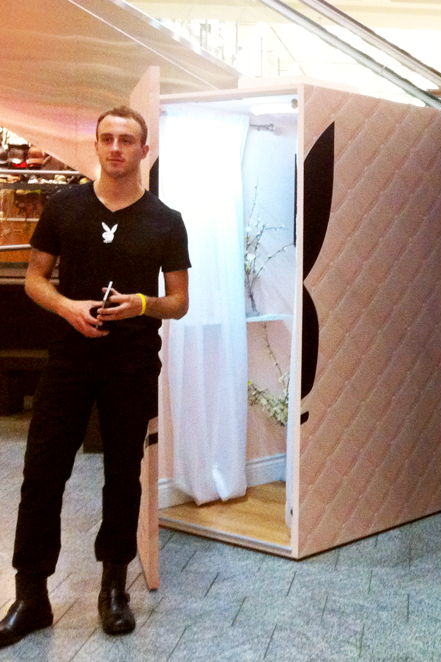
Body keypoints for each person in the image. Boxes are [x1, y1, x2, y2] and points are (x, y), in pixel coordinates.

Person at [0, 107, 190, 648]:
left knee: (122, 476)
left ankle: (113, 590)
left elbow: (179, 301)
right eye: (107, 138)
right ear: (97, 145)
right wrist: (66, 307)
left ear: (143, 150)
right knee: (42, 473)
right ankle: (31, 597)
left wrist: (141, 304)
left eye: (126, 140)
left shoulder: (166, 220)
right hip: (67, 359)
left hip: (132, 362)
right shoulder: (65, 206)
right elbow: (35, 278)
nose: (115, 148)